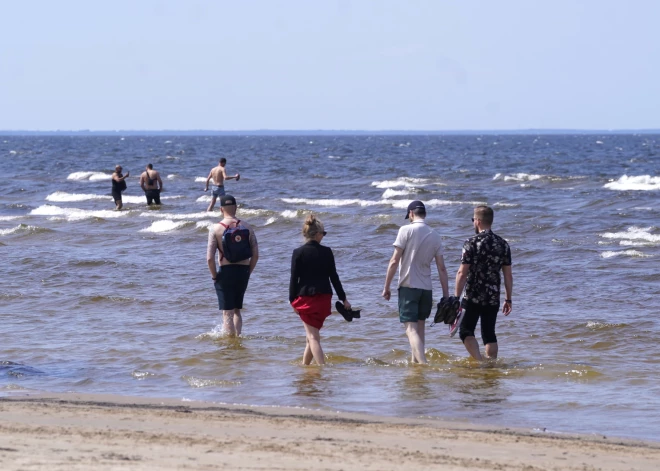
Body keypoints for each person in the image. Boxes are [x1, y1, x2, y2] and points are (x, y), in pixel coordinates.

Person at [382, 201, 449, 365]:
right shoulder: (435, 235)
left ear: (411, 214)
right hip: (426, 289)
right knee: (420, 329)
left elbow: (394, 261)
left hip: (408, 286)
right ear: (424, 214)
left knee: (411, 330)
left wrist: (386, 287)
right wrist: (446, 295)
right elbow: (442, 268)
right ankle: (415, 364)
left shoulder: (405, 230)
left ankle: (423, 363)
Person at [289, 214, 352, 366]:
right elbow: (334, 278)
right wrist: (344, 299)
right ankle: (305, 367)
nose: (323, 236)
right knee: (311, 336)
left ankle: (322, 368)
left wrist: (292, 301)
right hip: (324, 299)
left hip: (306, 300)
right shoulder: (327, 252)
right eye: (323, 233)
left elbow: (294, 279)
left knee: (313, 337)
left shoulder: (298, 253)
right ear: (317, 234)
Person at [454, 206, 513, 361]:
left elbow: (462, 272)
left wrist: (455, 297)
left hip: (473, 295)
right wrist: (508, 299)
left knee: (465, 331)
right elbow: (508, 275)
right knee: (489, 333)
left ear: (478, 221)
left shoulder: (471, 243)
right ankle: (491, 364)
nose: (473, 223)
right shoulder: (502, 244)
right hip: (492, 295)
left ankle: (479, 361)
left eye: (473, 220)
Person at [207, 195, 259, 337]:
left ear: (221, 209)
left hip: (225, 272)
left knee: (227, 312)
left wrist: (214, 276)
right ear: (236, 207)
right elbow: (256, 255)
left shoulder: (215, 229)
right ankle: (238, 337)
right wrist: (248, 272)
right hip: (243, 272)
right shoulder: (247, 227)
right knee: (237, 310)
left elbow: (209, 258)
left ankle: (230, 345)